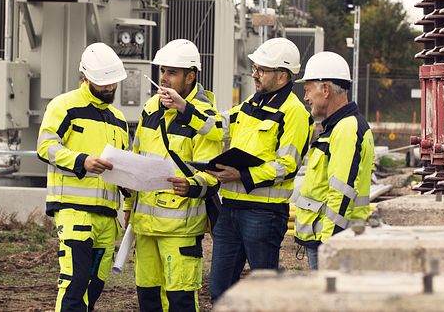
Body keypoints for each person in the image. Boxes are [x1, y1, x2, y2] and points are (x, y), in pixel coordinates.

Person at [208, 37, 313, 303]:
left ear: (282, 76)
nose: (254, 74)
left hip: (263, 214)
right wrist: (184, 109)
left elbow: (288, 166)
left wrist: (242, 175)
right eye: (254, 68)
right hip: (230, 209)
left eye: (261, 70)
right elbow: (216, 127)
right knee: (220, 292)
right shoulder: (249, 104)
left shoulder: (294, 113)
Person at [124, 39, 223, 312]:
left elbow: (212, 173)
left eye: (172, 73)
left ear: (190, 76)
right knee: (148, 300)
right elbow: (137, 157)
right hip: (145, 227)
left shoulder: (204, 116)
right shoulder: (150, 108)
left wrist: (191, 186)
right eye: (162, 71)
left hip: (180, 230)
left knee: (180, 302)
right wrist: (127, 203)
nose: (164, 79)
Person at [37, 42, 129, 312]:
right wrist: (82, 161)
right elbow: (45, 147)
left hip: (106, 217)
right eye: (104, 83)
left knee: (94, 285)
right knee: (75, 282)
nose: (110, 88)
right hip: (74, 211)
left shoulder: (119, 119)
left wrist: (131, 189)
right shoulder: (64, 106)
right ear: (85, 77)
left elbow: (122, 165)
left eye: (113, 82)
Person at [293, 51, 375, 270]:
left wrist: (331, 244)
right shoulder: (339, 127)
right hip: (323, 237)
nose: (306, 97)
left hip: (329, 240)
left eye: (308, 89)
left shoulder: (347, 128)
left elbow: (341, 193)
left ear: (325, 89)